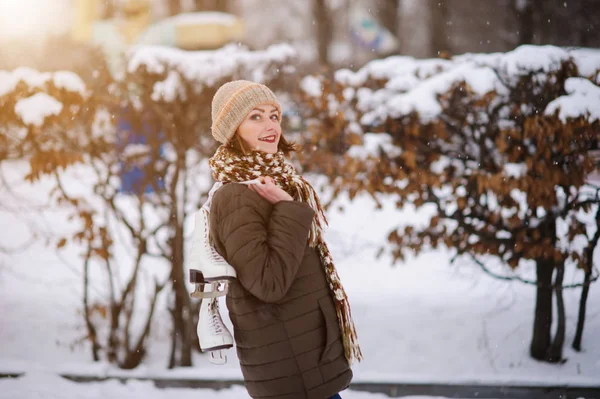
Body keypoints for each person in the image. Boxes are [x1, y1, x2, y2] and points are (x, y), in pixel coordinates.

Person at [205, 80, 363, 399]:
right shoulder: (236, 196)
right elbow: (268, 283)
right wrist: (289, 210)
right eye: (255, 117)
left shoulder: (276, 182)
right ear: (232, 128)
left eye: (274, 115)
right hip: (290, 369)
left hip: (305, 358)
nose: (270, 125)